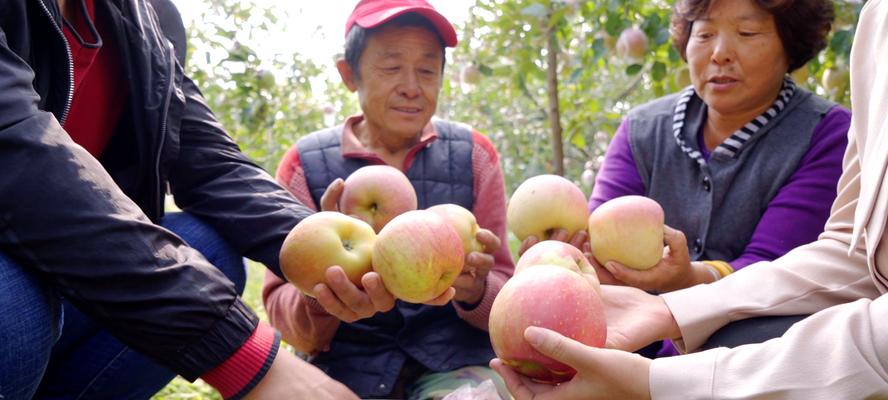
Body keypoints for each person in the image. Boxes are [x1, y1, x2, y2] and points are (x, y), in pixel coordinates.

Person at [491, 0, 888, 398]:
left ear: (790, 44)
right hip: (635, 345)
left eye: (747, 33)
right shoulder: (643, 130)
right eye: (704, 33)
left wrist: (690, 280)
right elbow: (596, 234)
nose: (720, 53)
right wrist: (580, 261)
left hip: (756, 358)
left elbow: (786, 263)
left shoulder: (825, 133)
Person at [0, 0, 357, 398]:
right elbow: (16, 154)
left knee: (210, 249)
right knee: (16, 301)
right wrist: (246, 356)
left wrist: (322, 245)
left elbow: (210, 164)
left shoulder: (148, 19)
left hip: (75, 271)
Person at [262, 0, 514, 398]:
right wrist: (321, 289)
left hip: (456, 367)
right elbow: (284, 315)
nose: (412, 86)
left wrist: (475, 290)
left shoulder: (474, 155)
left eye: (428, 70)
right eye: (392, 67)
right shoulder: (304, 166)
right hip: (344, 372)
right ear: (349, 74)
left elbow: (507, 295)